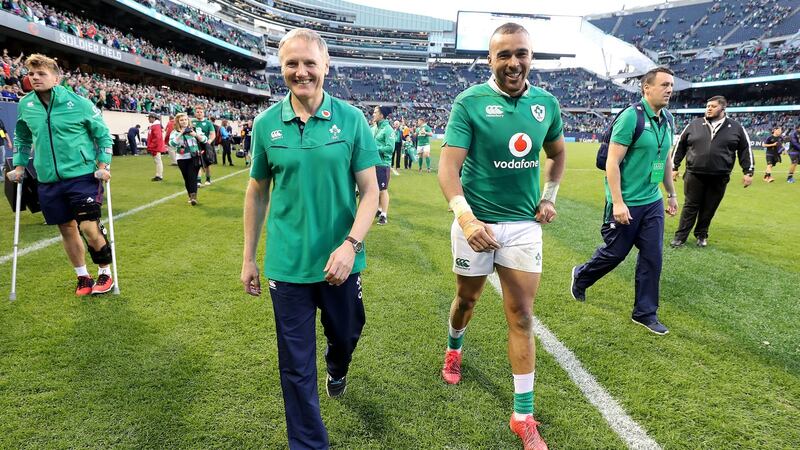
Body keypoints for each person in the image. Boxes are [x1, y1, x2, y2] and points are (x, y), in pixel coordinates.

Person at [240, 28, 380, 450]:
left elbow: (370, 191)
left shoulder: (352, 119)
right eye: (291, 64)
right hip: (288, 267)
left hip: (341, 261)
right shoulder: (266, 124)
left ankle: (337, 366)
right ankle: (308, 445)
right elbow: (258, 191)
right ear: (281, 68)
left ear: (325, 67)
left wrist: (350, 244)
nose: (301, 72)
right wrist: (249, 257)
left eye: (309, 64)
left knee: (347, 333)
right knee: (295, 366)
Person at [438, 23, 566, 450]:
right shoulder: (469, 102)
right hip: (476, 223)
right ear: (491, 60)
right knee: (467, 301)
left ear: (531, 57)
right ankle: (454, 347)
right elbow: (448, 168)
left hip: (524, 227)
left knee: (523, 316)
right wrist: (467, 220)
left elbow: (558, 152)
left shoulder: (546, 103)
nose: (514, 62)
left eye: (522, 54)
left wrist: (548, 196)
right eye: (504, 54)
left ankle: (523, 415)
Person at [570, 67, 679, 336]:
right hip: (627, 201)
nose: (669, 90)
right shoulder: (631, 118)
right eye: (664, 84)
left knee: (653, 256)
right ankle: (581, 276)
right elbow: (612, 163)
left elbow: (665, 160)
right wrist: (617, 202)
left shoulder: (668, 120)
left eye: (672, 85)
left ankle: (645, 313)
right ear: (647, 88)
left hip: (652, 201)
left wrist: (672, 193)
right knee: (615, 253)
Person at [6, 53, 115, 296]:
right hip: (48, 179)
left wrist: (103, 165)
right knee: (67, 228)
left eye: (41, 73)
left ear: (56, 78)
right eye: (31, 74)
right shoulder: (26, 104)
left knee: (88, 227)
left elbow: (103, 135)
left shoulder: (79, 103)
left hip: (83, 176)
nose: (34, 78)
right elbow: (23, 137)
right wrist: (21, 166)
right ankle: (83, 277)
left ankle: (105, 273)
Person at [670, 96, 754, 248]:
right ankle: (680, 237)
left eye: (713, 106)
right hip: (694, 173)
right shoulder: (694, 124)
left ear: (723, 109)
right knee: (690, 206)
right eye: (708, 106)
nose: (709, 108)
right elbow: (680, 146)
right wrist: (674, 167)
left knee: (709, 208)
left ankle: (701, 235)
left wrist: (748, 171)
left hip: (719, 176)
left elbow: (745, 150)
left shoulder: (736, 127)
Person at [169, 112, 205, 205]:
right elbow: (172, 144)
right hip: (181, 158)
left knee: (192, 177)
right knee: (186, 178)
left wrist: (195, 135)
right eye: (181, 120)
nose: (184, 122)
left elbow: (204, 139)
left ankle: (194, 197)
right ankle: (190, 195)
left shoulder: (195, 129)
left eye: (185, 119)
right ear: (178, 122)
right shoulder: (175, 132)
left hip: (194, 157)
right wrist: (180, 134)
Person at [373, 105, 394, 225]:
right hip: (373, 163)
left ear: (381, 115)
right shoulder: (375, 128)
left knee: (383, 189)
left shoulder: (388, 129)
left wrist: (375, 148)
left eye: (376, 112)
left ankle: (384, 215)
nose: (373, 114)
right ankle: (379, 209)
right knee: (375, 189)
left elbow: (390, 148)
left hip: (382, 164)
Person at [192, 105, 215, 185]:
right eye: (197, 112)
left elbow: (212, 134)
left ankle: (208, 179)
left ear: (203, 113)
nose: (199, 113)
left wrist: (209, 141)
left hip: (205, 145)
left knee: (207, 163)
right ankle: (198, 180)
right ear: (195, 113)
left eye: (201, 112)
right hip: (195, 145)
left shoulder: (208, 123)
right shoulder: (192, 122)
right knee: (197, 162)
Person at [146, 112, 166, 181]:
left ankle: (159, 176)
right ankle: (158, 175)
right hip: (155, 146)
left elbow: (157, 137)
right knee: (157, 161)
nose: (148, 119)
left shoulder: (155, 126)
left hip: (155, 147)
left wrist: (151, 146)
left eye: (149, 118)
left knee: (158, 161)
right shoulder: (155, 125)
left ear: (153, 118)